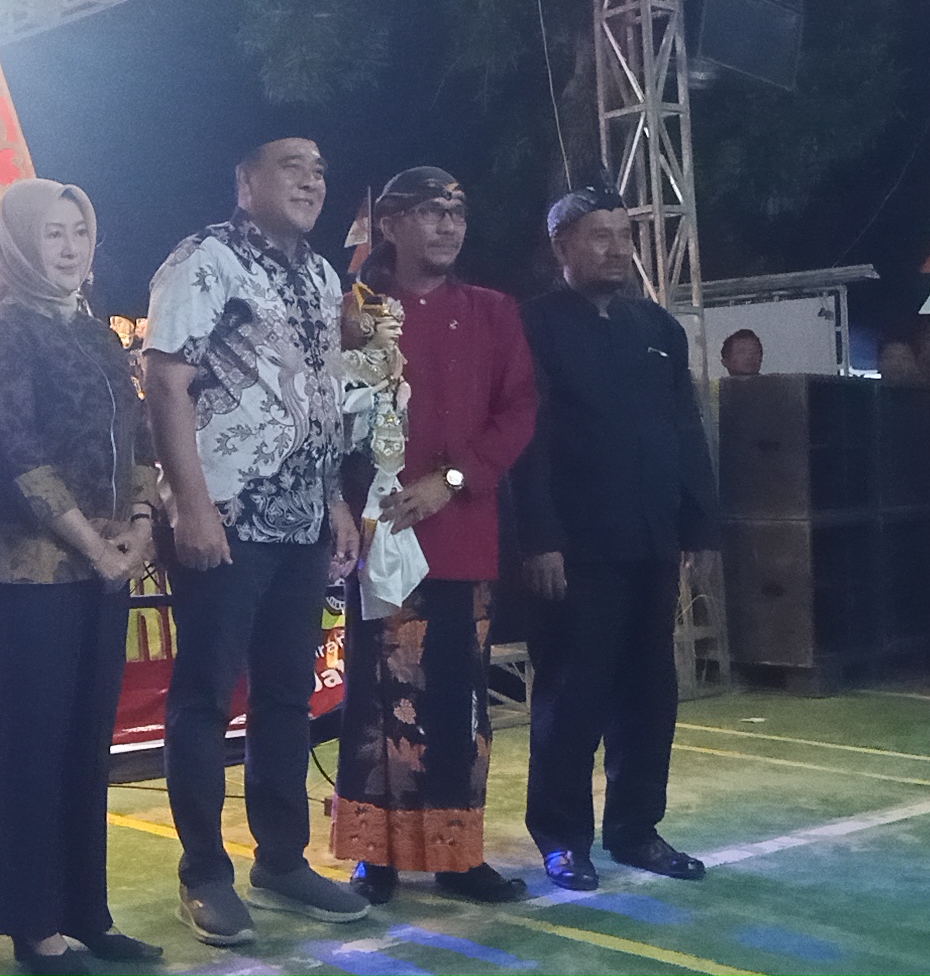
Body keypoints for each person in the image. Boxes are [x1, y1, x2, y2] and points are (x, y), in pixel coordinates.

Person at [144, 136, 368, 946]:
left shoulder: (323, 276)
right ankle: (204, 873)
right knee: (205, 698)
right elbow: (165, 381)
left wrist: (336, 501)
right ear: (246, 181)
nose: (312, 180)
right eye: (291, 167)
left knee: (286, 698)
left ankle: (281, 860)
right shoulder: (204, 260)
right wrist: (192, 504)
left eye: (320, 169)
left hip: (303, 522)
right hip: (227, 517)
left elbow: (324, 397)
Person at [0, 179, 164, 974]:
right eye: (53, 233)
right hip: (31, 577)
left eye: (80, 231)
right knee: (31, 750)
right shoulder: (5, 336)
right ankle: (33, 925)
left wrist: (140, 522)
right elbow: (17, 458)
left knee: (86, 746)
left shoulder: (96, 334)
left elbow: (138, 436)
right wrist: (93, 544)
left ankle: (86, 912)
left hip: (103, 569)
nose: (72, 247)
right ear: (18, 245)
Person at [329, 167, 538, 905]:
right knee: (377, 697)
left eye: (457, 212)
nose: (448, 226)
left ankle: (456, 857)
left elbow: (517, 412)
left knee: (457, 700)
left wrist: (449, 482)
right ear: (390, 225)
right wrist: (344, 505)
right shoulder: (354, 313)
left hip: (460, 534)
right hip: (379, 536)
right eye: (430, 212)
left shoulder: (493, 312)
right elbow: (329, 418)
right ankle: (374, 857)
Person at [513, 187, 720, 892]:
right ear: (561, 246)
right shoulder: (533, 326)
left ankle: (636, 830)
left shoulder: (657, 326)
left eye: (624, 235)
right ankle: (562, 839)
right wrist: (539, 537)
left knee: (649, 696)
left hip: (652, 540)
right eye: (599, 235)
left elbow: (685, 428)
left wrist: (699, 524)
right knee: (572, 697)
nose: (616, 248)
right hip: (576, 549)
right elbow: (528, 442)